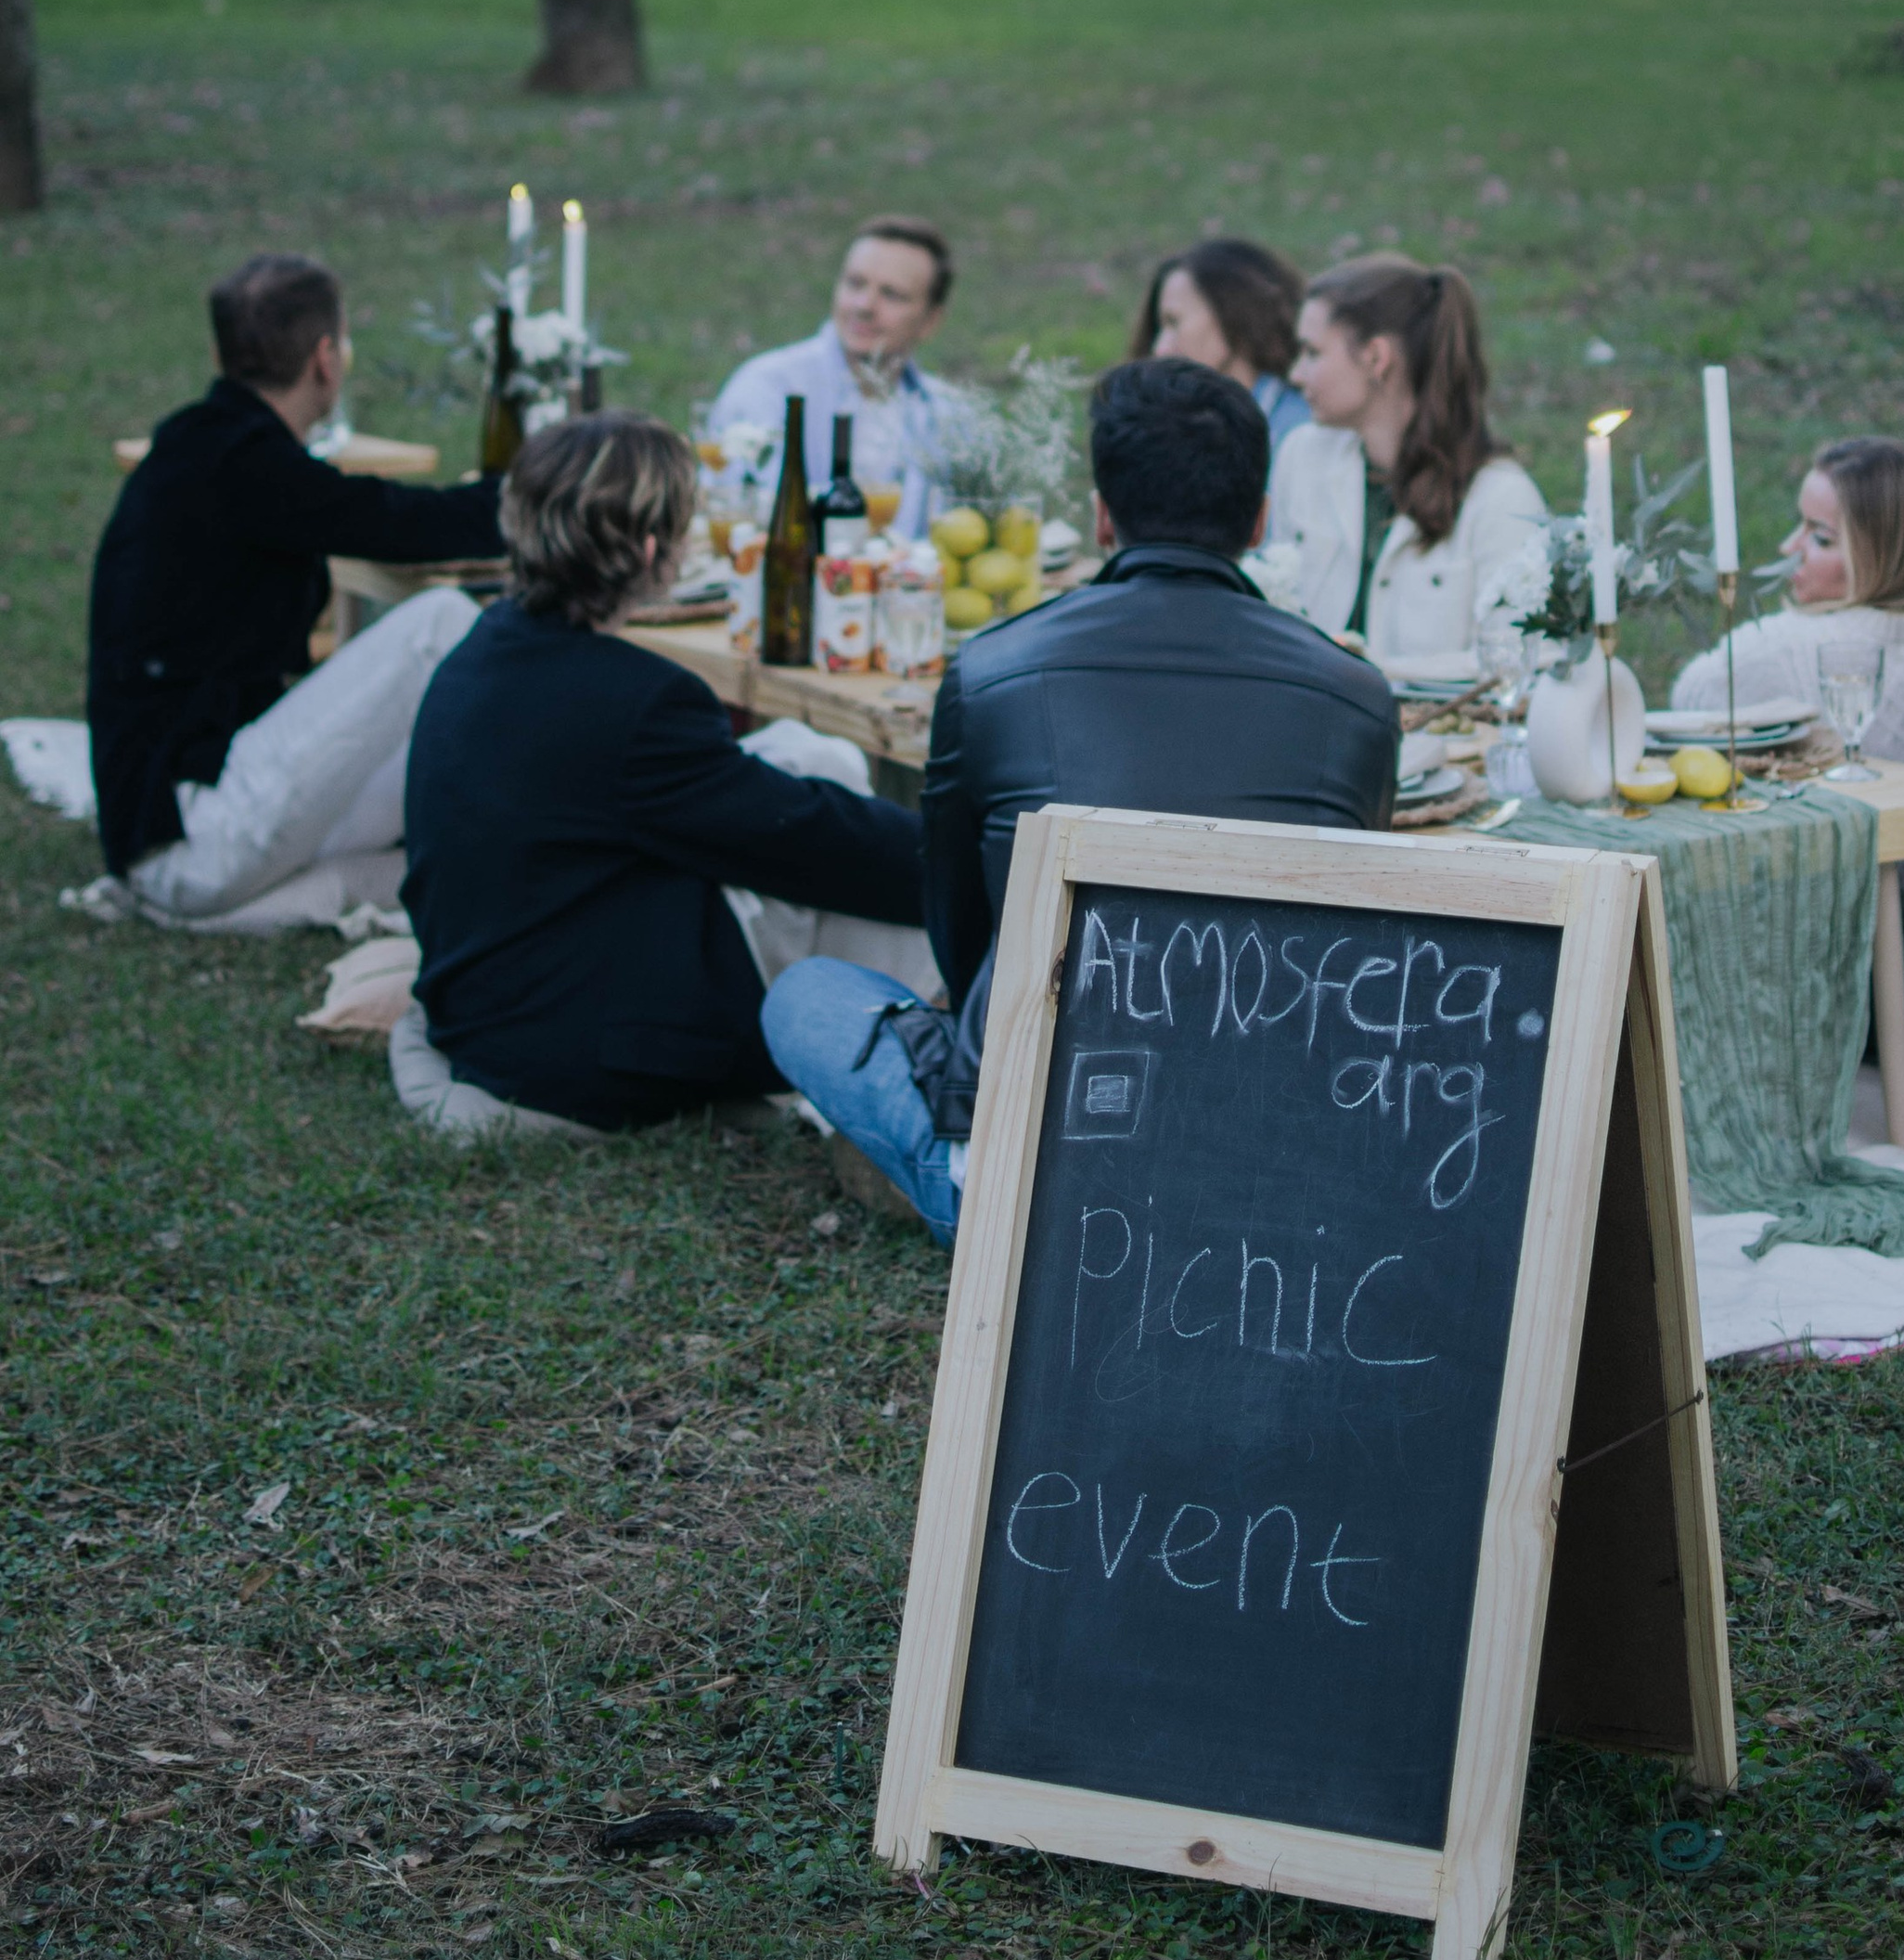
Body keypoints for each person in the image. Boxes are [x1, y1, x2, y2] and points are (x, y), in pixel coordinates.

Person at [762, 357, 1400, 1240]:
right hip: (1266, 1154)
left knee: (806, 996)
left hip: (1035, 1156)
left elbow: (957, 917)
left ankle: (998, 1226)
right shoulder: (1358, 695)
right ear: (1259, 520)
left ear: (1102, 513)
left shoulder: (990, 671)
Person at [402, 413, 923, 1128]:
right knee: (874, 876)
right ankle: (919, 1072)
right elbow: (805, 837)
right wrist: (972, 863)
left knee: (812, 764)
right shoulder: (637, 702)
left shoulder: (483, 648)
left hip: (487, 1005)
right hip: (576, 1054)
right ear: (653, 549)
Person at [85, 252, 505, 925]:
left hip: (174, 820)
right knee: (439, 624)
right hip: (192, 835)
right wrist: (531, 498)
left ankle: (523, 842)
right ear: (324, 358)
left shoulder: (199, 446)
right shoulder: (243, 463)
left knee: (430, 795)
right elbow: (393, 520)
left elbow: (361, 511)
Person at [1670, 435, 1904, 1064]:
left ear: (1881, 557)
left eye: (1820, 537)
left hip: (1860, 986)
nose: (1788, 548)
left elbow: (1691, 695)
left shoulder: (1795, 646)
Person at [1264, 254, 1546, 663]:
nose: (1296, 374)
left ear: (1376, 358)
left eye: (1312, 353)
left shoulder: (1501, 500)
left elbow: (1519, 663)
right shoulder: (1302, 455)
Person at [709, 218, 956, 536]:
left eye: (892, 295)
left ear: (931, 321)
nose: (865, 306)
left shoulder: (952, 415)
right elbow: (735, 517)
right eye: (855, 283)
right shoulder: (766, 387)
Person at [1129, 237, 1310, 450]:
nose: (1160, 348)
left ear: (1231, 312)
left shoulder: (1298, 432)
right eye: (1160, 329)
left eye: (1174, 323)